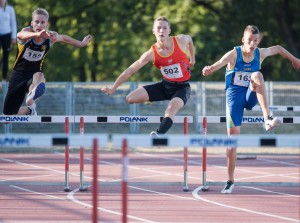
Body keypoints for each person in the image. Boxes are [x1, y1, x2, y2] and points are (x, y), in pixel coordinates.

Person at [202, 25, 300, 194]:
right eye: (249, 41)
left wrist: (295, 60)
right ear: (243, 40)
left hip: (250, 94)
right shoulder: (234, 54)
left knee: (257, 75)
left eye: (256, 41)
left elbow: (277, 49)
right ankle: (230, 180)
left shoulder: (260, 54)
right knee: (232, 142)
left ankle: (267, 119)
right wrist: (209, 69)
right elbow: (218, 64)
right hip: (234, 99)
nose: (253, 44)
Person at [101, 16, 195, 135]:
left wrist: (192, 59)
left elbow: (190, 40)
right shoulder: (151, 54)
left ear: (169, 31)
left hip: (182, 88)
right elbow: (130, 70)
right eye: (159, 28)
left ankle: (158, 135)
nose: (162, 31)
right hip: (165, 86)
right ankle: (157, 99)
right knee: (130, 98)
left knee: (171, 109)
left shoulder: (180, 41)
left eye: (165, 28)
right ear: (153, 31)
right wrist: (113, 88)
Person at [3, 8, 92, 115]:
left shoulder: (50, 37)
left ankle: (31, 97)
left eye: (42, 22)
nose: (39, 25)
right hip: (17, 75)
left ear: (46, 25)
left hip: (34, 75)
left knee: (39, 75)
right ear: (32, 23)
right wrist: (37, 35)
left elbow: (64, 38)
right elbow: (19, 35)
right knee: (8, 117)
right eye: (36, 22)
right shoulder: (27, 33)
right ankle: (29, 110)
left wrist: (82, 43)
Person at [0, 0, 17, 84]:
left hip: (7, 35)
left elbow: (13, 23)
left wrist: (14, 37)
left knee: (6, 56)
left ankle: (4, 78)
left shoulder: (10, 9)